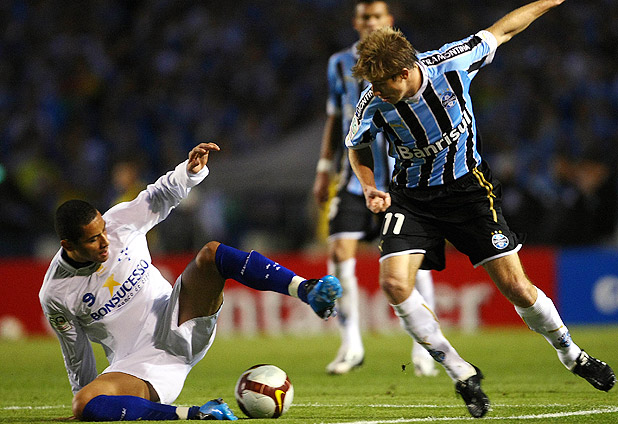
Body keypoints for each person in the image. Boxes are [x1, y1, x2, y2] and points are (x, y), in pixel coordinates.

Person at [345, 0, 615, 418]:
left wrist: (550, 1)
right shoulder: (373, 102)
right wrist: (368, 186)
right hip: (412, 199)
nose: (376, 92)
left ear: (405, 71)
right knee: (394, 284)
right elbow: (357, 146)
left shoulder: (452, 64)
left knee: (517, 288)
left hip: (469, 192)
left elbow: (505, 29)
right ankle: (461, 372)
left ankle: (571, 354)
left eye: (382, 85)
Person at [39, 143, 342, 421]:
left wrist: (189, 170)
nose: (106, 241)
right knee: (84, 402)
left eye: (103, 230)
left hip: (179, 316)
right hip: (140, 366)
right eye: (93, 239)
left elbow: (159, 195)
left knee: (211, 254)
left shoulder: (120, 223)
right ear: (68, 245)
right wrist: (88, 403)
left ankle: (307, 289)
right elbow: (76, 353)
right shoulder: (56, 293)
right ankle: (196, 414)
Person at [313, 0, 437, 376]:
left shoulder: (412, 63)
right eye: (365, 17)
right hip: (355, 181)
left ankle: (426, 346)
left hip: (403, 180)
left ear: (389, 21)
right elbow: (335, 118)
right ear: (356, 22)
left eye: (377, 16)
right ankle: (351, 346)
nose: (370, 22)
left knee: (416, 262)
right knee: (339, 252)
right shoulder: (339, 64)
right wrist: (323, 169)